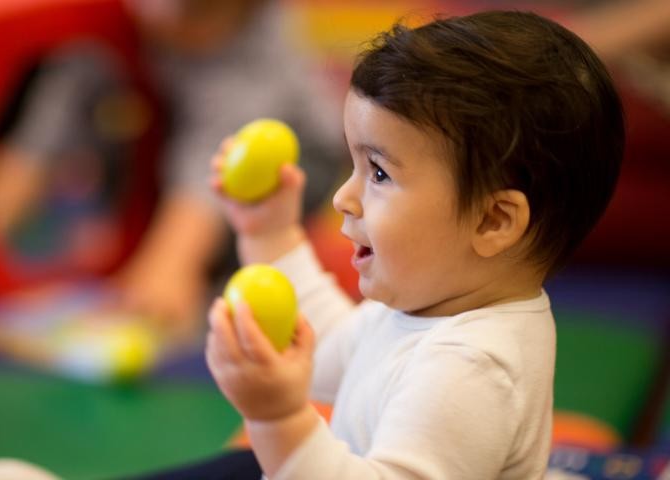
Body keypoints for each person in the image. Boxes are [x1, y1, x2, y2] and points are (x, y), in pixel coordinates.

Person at [203, 9, 625, 479]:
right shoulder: (428, 302)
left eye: (379, 173)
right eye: (355, 166)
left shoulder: (471, 368)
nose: (343, 198)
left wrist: (277, 419)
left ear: (493, 221)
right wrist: (269, 233)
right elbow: (322, 354)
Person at [0, 0, 345, 337]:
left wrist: (172, 263)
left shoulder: (254, 46)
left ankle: (206, 273)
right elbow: (47, 126)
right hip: (168, 124)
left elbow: (213, 146)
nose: (166, 18)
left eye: (197, 13)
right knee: (84, 84)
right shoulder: (107, 25)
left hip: (293, 149)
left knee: (244, 191)